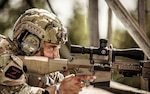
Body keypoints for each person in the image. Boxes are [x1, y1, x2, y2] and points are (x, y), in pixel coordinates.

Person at [0, 8, 95, 94]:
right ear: (30, 44)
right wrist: (59, 91)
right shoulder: (3, 54)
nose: (56, 55)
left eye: (57, 49)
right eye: (51, 48)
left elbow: (58, 81)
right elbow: (16, 91)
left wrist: (76, 80)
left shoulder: (43, 70)